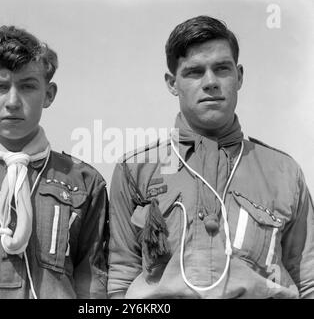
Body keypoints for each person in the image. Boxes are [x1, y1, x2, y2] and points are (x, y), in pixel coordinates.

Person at [107, 15, 314, 298]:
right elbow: (119, 277)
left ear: (239, 76)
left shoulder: (284, 172)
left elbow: (308, 280)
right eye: (194, 72)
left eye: (222, 69)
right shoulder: (136, 170)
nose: (210, 82)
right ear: (172, 83)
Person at [0, 25, 108, 299]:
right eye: (0, 87)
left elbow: (92, 283)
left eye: (27, 86)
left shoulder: (83, 182)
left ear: (49, 94)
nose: (13, 101)